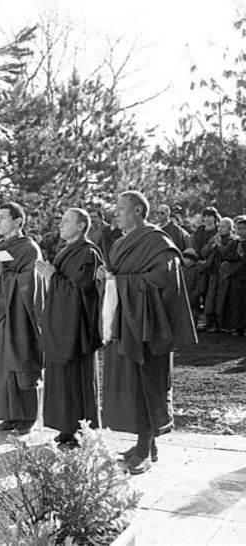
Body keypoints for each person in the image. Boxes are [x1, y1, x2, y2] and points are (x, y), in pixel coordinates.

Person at [98, 191, 196, 475]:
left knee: (147, 383)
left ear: (139, 210)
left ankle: (144, 447)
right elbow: (115, 280)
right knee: (129, 383)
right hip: (125, 323)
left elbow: (163, 280)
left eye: (121, 208)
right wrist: (107, 279)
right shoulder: (119, 244)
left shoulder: (157, 242)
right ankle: (146, 444)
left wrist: (120, 283)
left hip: (148, 325)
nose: (115, 213)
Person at [36, 208, 103, 446]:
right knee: (61, 377)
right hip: (61, 323)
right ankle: (66, 427)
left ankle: (82, 429)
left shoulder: (88, 253)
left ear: (82, 226)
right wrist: (52, 278)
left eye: (66, 221)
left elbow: (81, 291)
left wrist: (53, 277)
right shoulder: (67, 251)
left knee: (77, 378)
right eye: (61, 221)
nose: (61, 225)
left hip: (77, 327)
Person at [0, 202, 46, 436]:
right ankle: (9, 415)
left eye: (2, 218)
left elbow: (32, 284)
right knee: (2, 364)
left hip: (21, 316)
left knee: (21, 361)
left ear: (18, 221)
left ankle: (27, 417)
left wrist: (3, 274)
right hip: (1, 313)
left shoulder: (29, 249)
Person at [193, 207, 221, 331]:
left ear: (215, 218)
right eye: (206, 216)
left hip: (215, 268)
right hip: (201, 267)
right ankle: (204, 320)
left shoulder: (218, 232)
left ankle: (213, 321)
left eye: (210, 216)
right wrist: (199, 260)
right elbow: (196, 248)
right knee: (202, 293)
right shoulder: (198, 232)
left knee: (213, 294)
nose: (208, 218)